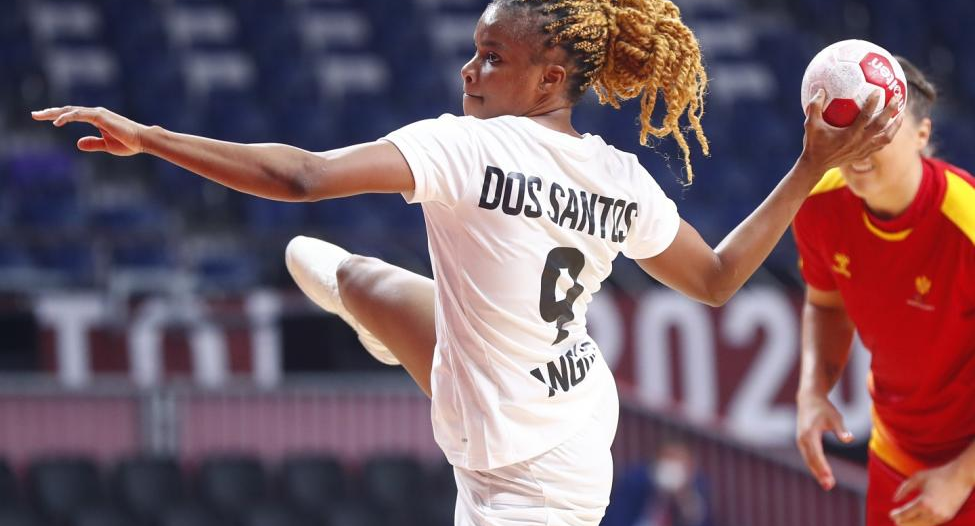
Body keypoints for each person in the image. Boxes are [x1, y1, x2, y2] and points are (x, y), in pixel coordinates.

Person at [33, 0, 900, 523]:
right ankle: (363, 303)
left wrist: (150, 136)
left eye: (492, 56)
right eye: (474, 49)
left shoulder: (467, 147)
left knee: (369, 288)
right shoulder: (616, 176)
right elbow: (714, 278)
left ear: (550, 78)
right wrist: (805, 167)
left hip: (532, 487)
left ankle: (370, 309)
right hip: (555, 398)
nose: (469, 69)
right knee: (358, 279)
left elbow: (300, 176)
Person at [793, 56, 975, 526]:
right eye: (848, 127)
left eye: (879, 128)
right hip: (897, 453)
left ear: (922, 134)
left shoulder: (968, 221)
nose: (859, 144)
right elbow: (825, 304)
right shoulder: (816, 205)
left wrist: (961, 477)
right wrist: (813, 391)